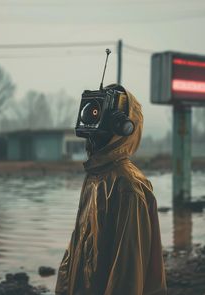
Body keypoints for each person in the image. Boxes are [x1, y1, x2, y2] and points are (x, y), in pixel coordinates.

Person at [55, 84, 167, 295]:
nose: (92, 116)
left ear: (125, 127)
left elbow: (127, 274)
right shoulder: (95, 176)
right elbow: (77, 243)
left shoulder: (128, 187)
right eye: (91, 110)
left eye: (98, 111)